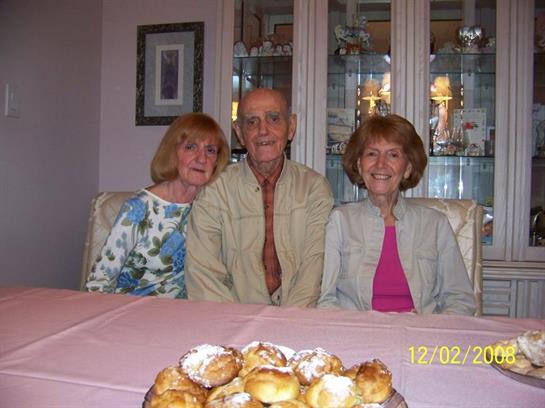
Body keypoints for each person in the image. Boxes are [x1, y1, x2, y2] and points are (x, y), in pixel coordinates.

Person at [185, 88, 334, 306]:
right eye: (251, 122)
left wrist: (288, 324)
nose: (263, 130)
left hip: (299, 319)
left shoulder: (314, 188)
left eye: (273, 119)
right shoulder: (215, 190)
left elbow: (313, 271)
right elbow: (204, 274)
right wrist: (237, 329)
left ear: (291, 127)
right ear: (239, 132)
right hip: (232, 322)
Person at [318, 114, 476, 315]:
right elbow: (326, 300)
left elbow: (460, 300)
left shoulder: (435, 224)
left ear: (408, 168)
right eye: (372, 154)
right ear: (359, 164)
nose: (380, 164)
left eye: (393, 155)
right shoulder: (340, 221)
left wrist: (432, 334)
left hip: (421, 336)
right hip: (358, 333)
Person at [85, 113, 229, 298]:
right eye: (191, 147)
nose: (201, 158)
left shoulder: (211, 206)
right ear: (172, 153)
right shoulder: (139, 208)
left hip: (189, 313)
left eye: (210, 150)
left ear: (217, 161)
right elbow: (99, 283)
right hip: (132, 313)